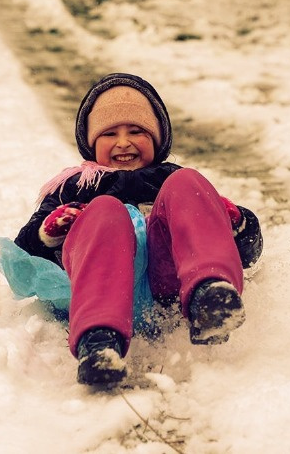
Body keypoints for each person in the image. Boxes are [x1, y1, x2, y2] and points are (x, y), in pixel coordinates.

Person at [14, 73, 263, 385]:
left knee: (189, 183)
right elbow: (24, 255)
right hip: (102, 286)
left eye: (136, 131)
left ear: (157, 139)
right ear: (91, 143)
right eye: (109, 133)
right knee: (104, 210)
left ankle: (209, 296)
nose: (123, 142)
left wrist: (236, 223)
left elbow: (247, 250)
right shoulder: (74, 187)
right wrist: (48, 234)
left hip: (169, 286)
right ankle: (99, 343)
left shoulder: (174, 181)